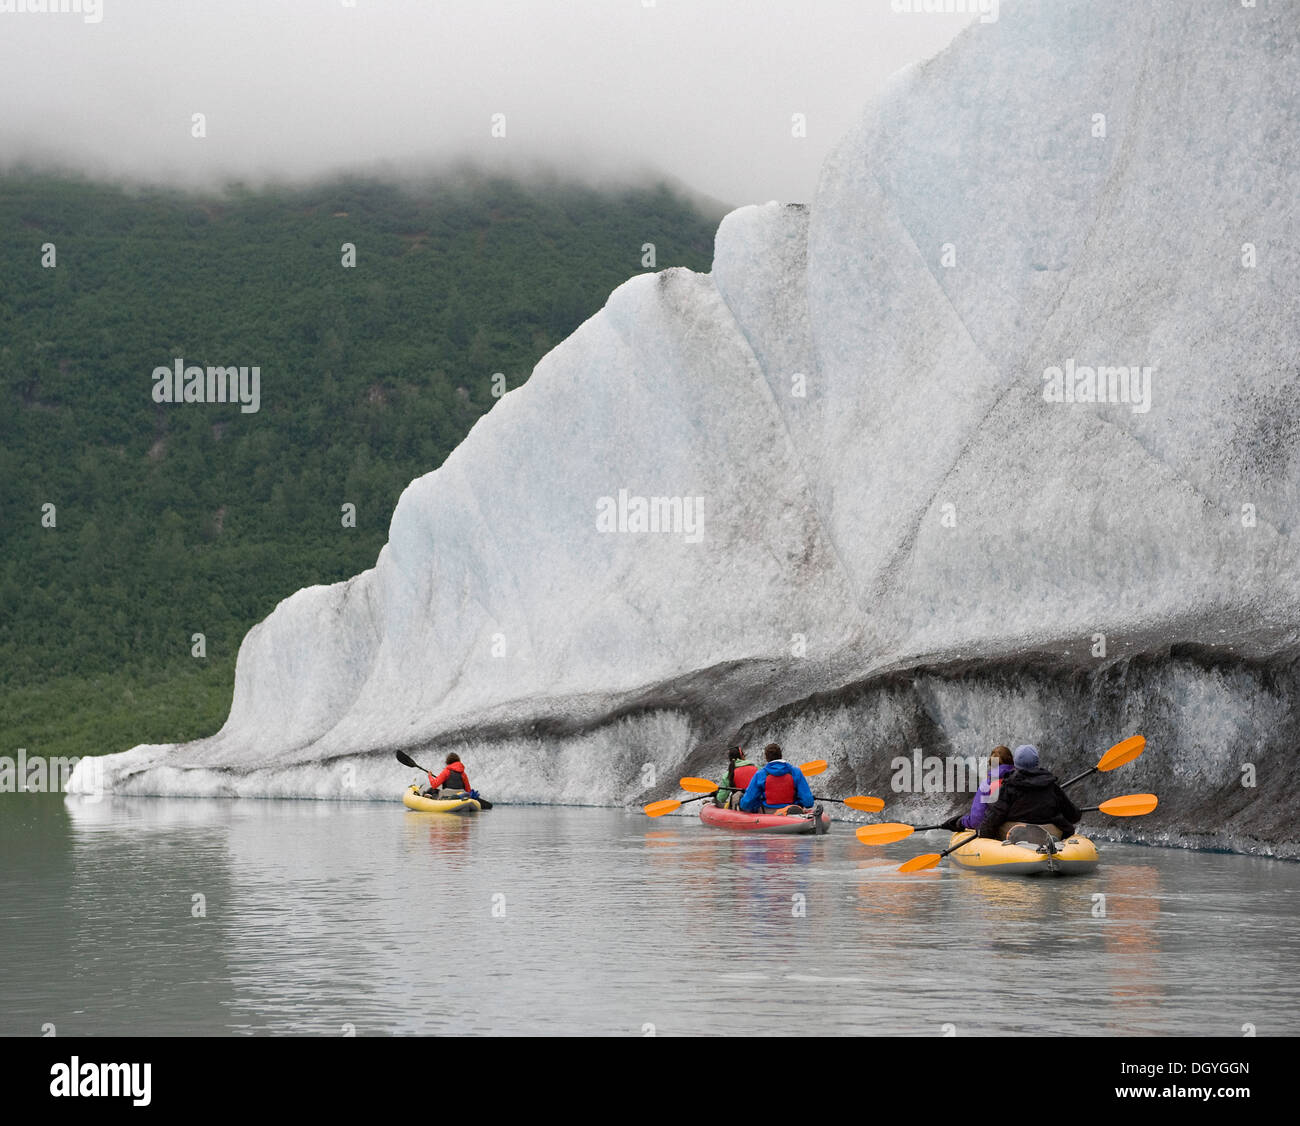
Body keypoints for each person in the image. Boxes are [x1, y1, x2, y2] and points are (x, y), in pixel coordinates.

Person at [976, 744, 1082, 840]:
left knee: (997, 827)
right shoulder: (1052, 785)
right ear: (1036, 762)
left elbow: (995, 816)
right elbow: (1074, 816)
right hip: (1050, 833)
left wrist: (982, 833)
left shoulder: (1008, 786)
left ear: (1016, 764)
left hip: (1017, 834)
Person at [940, 746, 1015, 832]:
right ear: (1011, 761)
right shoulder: (1020, 780)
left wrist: (961, 822)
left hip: (996, 832)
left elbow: (976, 820)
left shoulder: (987, 785)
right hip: (1021, 829)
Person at [739, 743, 817, 815]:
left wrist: (743, 801)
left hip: (768, 812)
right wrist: (800, 802)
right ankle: (789, 811)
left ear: (766, 758)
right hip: (792, 811)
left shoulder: (760, 774)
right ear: (781, 755)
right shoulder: (796, 772)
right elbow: (808, 802)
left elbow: (746, 803)